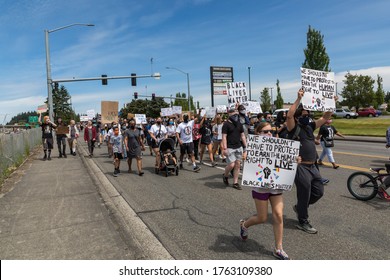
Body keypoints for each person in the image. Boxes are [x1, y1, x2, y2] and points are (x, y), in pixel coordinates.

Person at [239, 122, 298, 260]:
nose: (269, 134)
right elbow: (248, 165)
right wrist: (245, 158)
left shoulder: (279, 146)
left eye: (271, 131)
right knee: (262, 218)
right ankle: (244, 224)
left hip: (275, 186)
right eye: (266, 131)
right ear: (258, 133)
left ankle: (278, 248)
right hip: (260, 187)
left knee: (278, 215)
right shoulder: (251, 147)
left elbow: (287, 161)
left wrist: (295, 160)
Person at [286, 88, 333, 234]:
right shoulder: (294, 127)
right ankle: (303, 221)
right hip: (301, 167)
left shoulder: (310, 127)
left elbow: (325, 117)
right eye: (304, 114)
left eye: (309, 114)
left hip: (313, 167)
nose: (307, 116)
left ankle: (300, 207)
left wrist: (331, 103)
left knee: (318, 192)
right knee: (304, 193)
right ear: (299, 116)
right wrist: (298, 98)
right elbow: (289, 116)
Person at [221, 108, 247, 190]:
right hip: (230, 147)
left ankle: (235, 182)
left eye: (236, 113)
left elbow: (242, 136)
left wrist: (246, 146)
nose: (235, 114)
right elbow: (224, 137)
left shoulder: (239, 124)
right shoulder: (226, 124)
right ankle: (225, 175)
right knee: (231, 165)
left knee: (238, 164)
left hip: (239, 147)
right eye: (233, 112)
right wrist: (224, 148)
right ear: (229, 114)